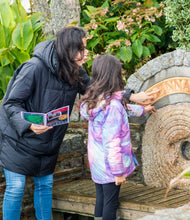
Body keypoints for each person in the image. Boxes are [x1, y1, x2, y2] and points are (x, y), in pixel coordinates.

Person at [0, 26, 156, 220]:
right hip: (18, 139)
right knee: (15, 189)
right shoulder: (34, 67)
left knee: (45, 186)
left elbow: (98, 91)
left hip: (47, 139)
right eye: (81, 48)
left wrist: (130, 96)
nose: (85, 53)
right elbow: (10, 102)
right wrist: (29, 124)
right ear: (68, 50)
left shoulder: (74, 71)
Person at [79, 54, 156, 220]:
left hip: (98, 163)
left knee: (101, 198)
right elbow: (112, 142)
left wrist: (143, 109)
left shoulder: (97, 100)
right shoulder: (112, 105)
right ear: (114, 76)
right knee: (110, 204)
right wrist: (118, 172)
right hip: (109, 166)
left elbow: (124, 109)